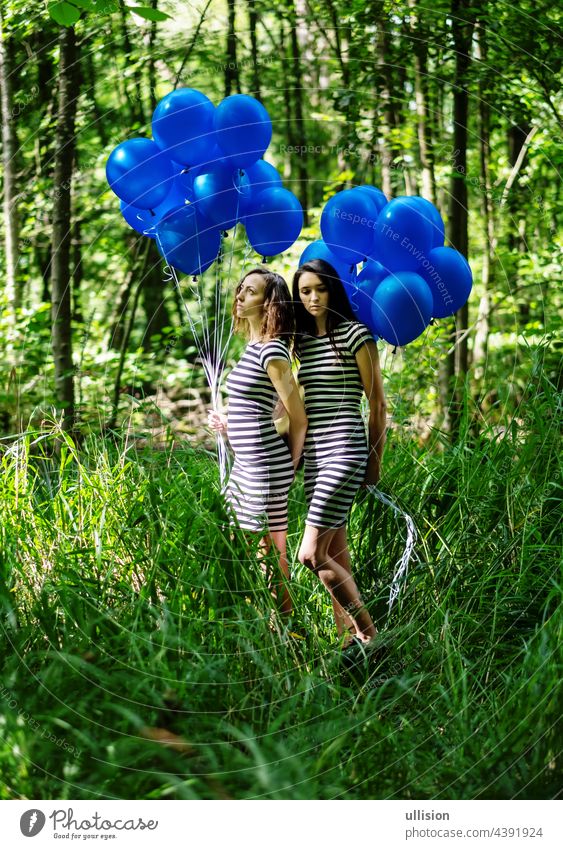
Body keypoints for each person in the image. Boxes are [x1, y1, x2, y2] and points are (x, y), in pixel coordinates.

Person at [292, 258, 387, 652]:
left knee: (311, 555)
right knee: (335, 554)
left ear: (333, 288)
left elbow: (378, 404)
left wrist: (374, 460)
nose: (313, 297)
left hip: (347, 449)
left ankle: (372, 637)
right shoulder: (300, 343)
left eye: (320, 288)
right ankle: (348, 645)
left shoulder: (355, 335)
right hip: (314, 457)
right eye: (305, 291)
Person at [208, 267, 308, 616]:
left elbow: (298, 417)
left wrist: (291, 465)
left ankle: (249, 622)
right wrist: (229, 422)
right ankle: (284, 628)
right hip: (250, 465)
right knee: (270, 550)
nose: (239, 295)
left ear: (269, 304)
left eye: (250, 291)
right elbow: (259, 407)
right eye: (240, 289)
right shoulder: (254, 347)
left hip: (265, 468)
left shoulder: (272, 352)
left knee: (241, 546)